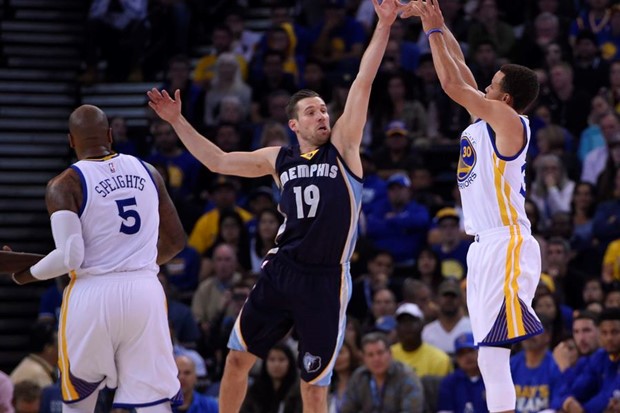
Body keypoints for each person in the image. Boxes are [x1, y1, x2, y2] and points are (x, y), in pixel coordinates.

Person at [147, 1, 402, 412]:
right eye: (311, 111)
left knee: (314, 385)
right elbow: (217, 161)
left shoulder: (343, 148)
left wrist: (384, 24)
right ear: (294, 125)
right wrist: (178, 121)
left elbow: (363, 81)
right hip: (281, 271)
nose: (322, 115)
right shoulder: (276, 159)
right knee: (235, 360)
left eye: (323, 109)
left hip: (325, 280)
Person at [401, 2, 543, 412]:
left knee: (494, 354)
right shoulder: (486, 119)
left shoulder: (510, 122)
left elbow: (450, 84)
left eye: (493, 83)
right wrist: (440, 22)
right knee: (486, 355)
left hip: (507, 241)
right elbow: (460, 67)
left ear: (507, 98)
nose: (486, 86)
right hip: (482, 246)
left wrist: (429, 33)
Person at [9, 104, 186, 412]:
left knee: (80, 398)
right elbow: (175, 241)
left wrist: (25, 273)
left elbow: (70, 257)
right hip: (144, 291)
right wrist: (131, 259)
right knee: (153, 400)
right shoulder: (149, 171)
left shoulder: (64, 184)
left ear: (70, 141)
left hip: (92, 295)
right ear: (109, 135)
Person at [340, 332, 424, 413]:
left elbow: (412, 411)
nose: (376, 359)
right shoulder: (359, 377)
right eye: (370, 355)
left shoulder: (406, 376)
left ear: (390, 354)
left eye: (380, 353)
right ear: (364, 358)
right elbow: (346, 410)